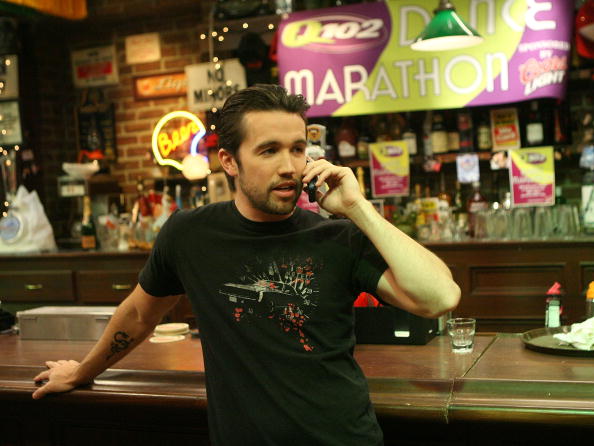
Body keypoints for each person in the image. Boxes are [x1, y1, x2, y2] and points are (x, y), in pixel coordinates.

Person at [32, 84, 460, 445]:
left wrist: (358, 208)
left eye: (297, 149)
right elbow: (141, 313)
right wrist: (82, 371)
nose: (290, 166)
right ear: (230, 162)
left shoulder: (338, 236)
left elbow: (439, 298)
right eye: (269, 151)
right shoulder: (189, 235)